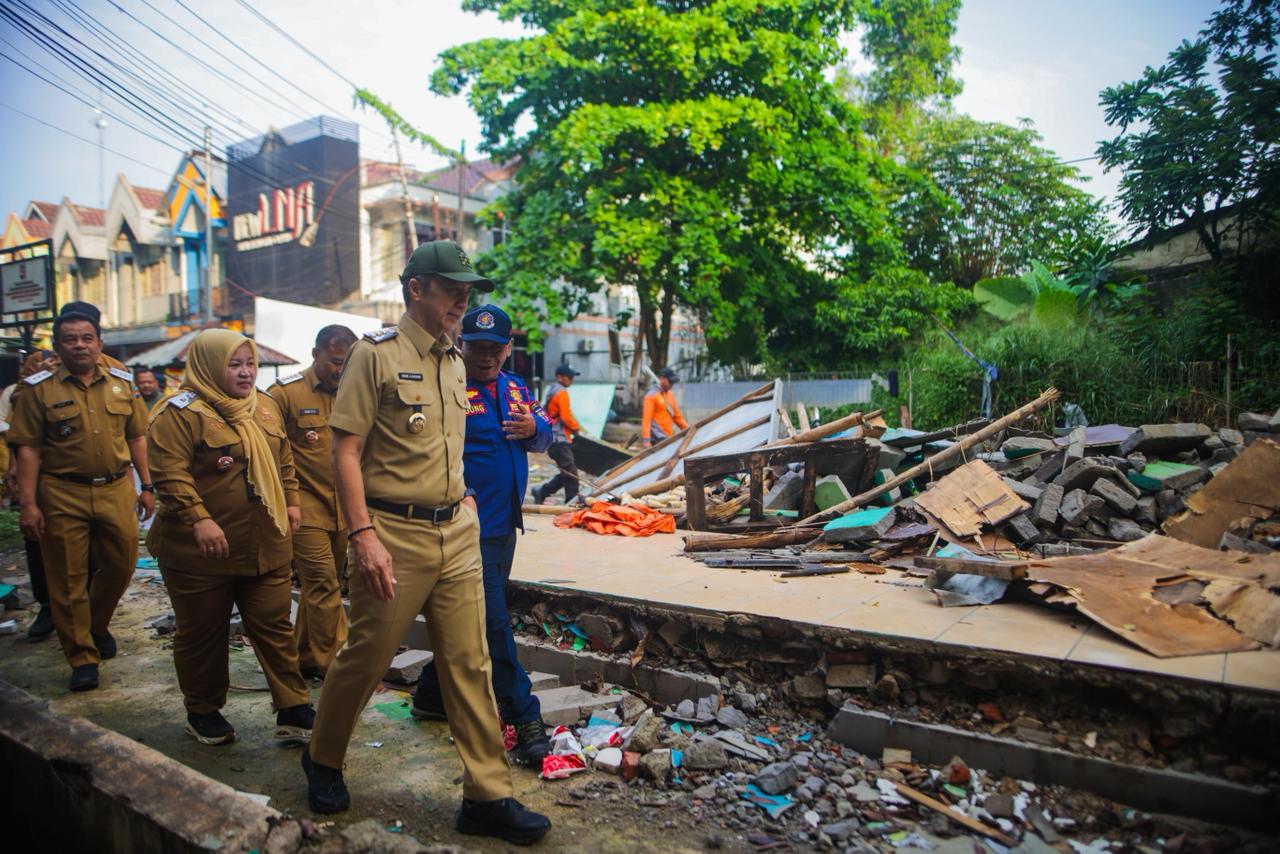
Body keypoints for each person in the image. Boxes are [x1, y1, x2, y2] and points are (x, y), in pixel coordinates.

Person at [301, 240, 550, 845]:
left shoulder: (455, 359)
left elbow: (449, 443)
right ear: (418, 288)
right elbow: (347, 451)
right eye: (452, 289)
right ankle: (324, 756)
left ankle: (486, 797)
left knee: (470, 663)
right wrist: (362, 534)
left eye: (468, 290)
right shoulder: (375, 357)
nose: (463, 300)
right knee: (368, 656)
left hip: (457, 532)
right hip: (394, 534)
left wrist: (461, 496)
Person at [146, 330, 316, 746]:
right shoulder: (178, 413)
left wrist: (291, 502)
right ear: (208, 365)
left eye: (249, 364)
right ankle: (202, 710)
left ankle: (292, 705)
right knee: (203, 632)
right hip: (200, 553)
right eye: (234, 364)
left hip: (264, 543)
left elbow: (285, 462)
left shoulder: (265, 407)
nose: (244, 373)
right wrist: (199, 519)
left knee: (275, 625)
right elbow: (170, 476)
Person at [412, 304, 553, 766]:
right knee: (494, 627)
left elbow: (545, 434)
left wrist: (537, 428)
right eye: (478, 347)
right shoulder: (448, 383)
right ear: (462, 344)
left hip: (505, 526)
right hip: (468, 527)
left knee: (473, 619)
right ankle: (524, 716)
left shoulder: (515, 386)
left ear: (508, 348)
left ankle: (432, 694)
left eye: (496, 348)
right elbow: (432, 452)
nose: (487, 356)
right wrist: (463, 492)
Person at [7, 304, 154, 691]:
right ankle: (82, 657)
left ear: (99, 343)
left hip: (115, 488)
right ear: (58, 345)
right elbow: (29, 450)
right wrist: (29, 503)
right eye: (70, 339)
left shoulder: (123, 383)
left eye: (87, 338)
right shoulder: (40, 390)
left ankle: (95, 625)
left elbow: (137, 436)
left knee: (121, 563)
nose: (79, 346)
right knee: (67, 576)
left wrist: (148, 486)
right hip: (61, 491)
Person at [268, 325, 357, 680]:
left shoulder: (357, 391)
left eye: (346, 363)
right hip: (304, 508)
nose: (340, 370)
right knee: (323, 585)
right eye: (334, 362)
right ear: (316, 354)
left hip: (345, 508)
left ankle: (304, 656)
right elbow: (266, 452)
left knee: (323, 584)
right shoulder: (285, 394)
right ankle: (339, 669)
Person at [2, 350, 59, 640]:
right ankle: (47, 605)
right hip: (34, 476)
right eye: (36, 364)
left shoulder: (73, 383)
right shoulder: (21, 391)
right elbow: (17, 437)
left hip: (68, 477)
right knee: (36, 541)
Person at [530, 365, 581, 505]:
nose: (571, 380)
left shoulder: (553, 390)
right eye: (569, 377)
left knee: (567, 471)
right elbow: (565, 417)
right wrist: (577, 429)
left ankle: (542, 491)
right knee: (571, 475)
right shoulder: (561, 392)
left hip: (553, 437)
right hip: (559, 439)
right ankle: (571, 504)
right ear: (559, 377)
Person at [641, 367, 688, 448]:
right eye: (670, 381)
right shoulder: (651, 396)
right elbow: (646, 420)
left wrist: (688, 429)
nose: (672, 384)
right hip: (657, 437)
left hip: (667, 436)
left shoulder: (670, 395)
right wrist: (646, 440)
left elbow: (677, 416)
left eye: (673, 382)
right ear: (661, 379)